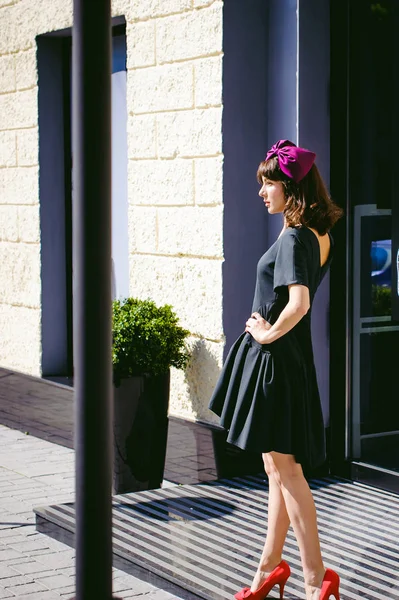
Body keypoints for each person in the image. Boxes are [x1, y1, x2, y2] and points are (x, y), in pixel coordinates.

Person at [208, 140, 344, 600]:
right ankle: (269, 568)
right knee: (276, 468)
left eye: (269, 183)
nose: (262, 192)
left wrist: (265, 335)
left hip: (275, 362)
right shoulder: (318, 234)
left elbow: (299, 302)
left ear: (291, 186)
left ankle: (314, 577)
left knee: (286, 472)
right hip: (292, 364)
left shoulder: (292, 237)